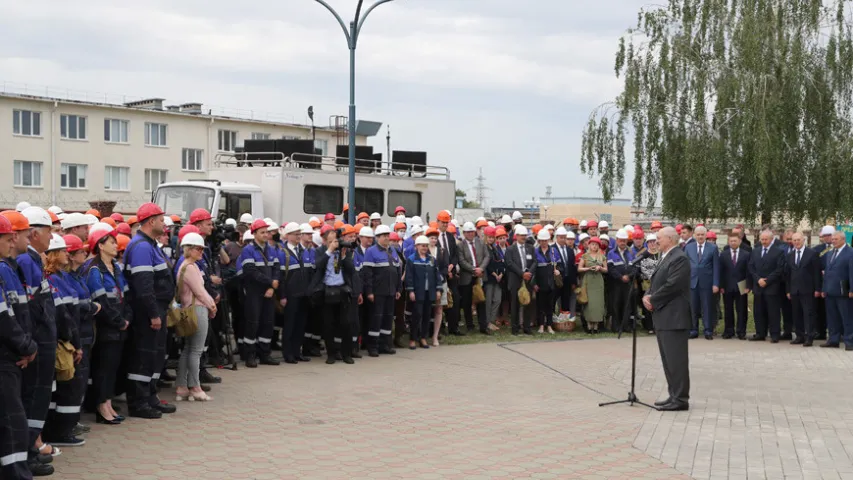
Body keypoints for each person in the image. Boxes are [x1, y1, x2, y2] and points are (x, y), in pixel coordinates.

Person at [123, 203, 177, 419]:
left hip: (157, 310)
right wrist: (153, 313)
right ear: (151, 221)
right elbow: (144, 286)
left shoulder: (150, 244)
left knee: (153, 357)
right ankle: (138, 403)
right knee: (143, 357)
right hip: (146, 313)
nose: (165, 224)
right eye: (162, 220)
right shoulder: (142, 247)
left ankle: (150, 397)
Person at [17, 207, 60, 464]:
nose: (52, 238)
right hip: (37, 343)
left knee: (38, 397)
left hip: (42, 341)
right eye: (49, 231)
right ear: (34, 233)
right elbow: (30, 310)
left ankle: (31, 448)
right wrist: (29, 345)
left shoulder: (32, 259)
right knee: (33, 397)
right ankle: (28, 451)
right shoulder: (26, 260)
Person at [0, 213, 40, 480]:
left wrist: (26, 347)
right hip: (6, 358)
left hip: (12, 355)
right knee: (12, 421)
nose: (12, 240)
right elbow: (5, 319)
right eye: (7, 237)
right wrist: (26, 346)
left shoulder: (8, 268)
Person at [41, 235, 85, 447]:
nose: (67, 253)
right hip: (61, 342)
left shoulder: (63, 277)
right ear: (53, 255)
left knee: (68, 387)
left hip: (69, 339)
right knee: (64, 388)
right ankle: (58, 431)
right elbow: (62, 315)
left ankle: (64, 428)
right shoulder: (51, 280)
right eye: (63, 250)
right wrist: (73, 343)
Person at [642, 227, 691, 412]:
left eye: (659, 238)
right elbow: (656, 281)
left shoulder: (679, 258)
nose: (656, 242)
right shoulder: (666, 256)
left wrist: (653, 299)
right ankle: (674, 395)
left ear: (670, 239)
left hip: (674, 317)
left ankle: (681, 399)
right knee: (668, 360)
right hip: (664, 316)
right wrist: (647, 295)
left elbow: (673, 285)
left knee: (676, 360)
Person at [86, 227, 129, 425]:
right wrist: (119, 322)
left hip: (120, 326)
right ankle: (101, 406)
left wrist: (127, 317)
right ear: (100, 246)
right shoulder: (95, 271)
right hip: (106, 328)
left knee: (113, 368)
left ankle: (109, 403)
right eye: (111, 242)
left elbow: (125, 296)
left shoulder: (116, 268)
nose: (115, 245)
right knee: (103, 368)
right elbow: (101, 302)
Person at [61, 235, 99, 440]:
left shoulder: (77, 276)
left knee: (81, 380)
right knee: (75, 381)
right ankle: (68, 424)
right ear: (72, 256)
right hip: (77, 334)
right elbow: (73, 305)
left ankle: (74, 420)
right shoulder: (67, 278)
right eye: (81, 252)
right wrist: (92, 307)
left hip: (85, 332)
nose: (86, 254)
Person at [174, 233, 217, 402]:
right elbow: (200, 291)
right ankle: (195, 387)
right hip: (197, 310)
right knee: (196, 350)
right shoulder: (190, 267)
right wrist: (212, 306)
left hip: (189, 309)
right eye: (198, 249)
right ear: (189, 249)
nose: (201, 252)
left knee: (188, 349)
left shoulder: (185, 265)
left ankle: (182, 387)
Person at [236, 219, 282, 367]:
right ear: (254, 233)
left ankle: (265, 354)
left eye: (267, 232)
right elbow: (250, 272)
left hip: (268, 292)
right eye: (262, 232)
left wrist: (272, 287)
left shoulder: (271, 249)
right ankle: (250, 355)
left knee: (268, 323)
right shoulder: (248, 250)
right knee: (252, 323)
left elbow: (276, 269)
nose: (265, 235)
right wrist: (270, 282)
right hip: (254, 292)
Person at [311, 226, 355, 364]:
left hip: (342, 289)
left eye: (335, 240)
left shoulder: (342, 250)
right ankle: (331, 354)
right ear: (324, 241)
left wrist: (343, 256)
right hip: (327, 291)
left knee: (345, 324)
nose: (334, 243)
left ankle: (346, 353)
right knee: (328, 324)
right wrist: (329, 251)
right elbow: (318, 265)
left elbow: (351, 270)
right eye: (330, 241)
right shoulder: (320, 251)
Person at [363, 225, 402, 357]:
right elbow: (367, 274)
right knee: (376, 319)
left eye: (387, 235)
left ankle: (386, 344)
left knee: (388, 319)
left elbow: (398, 271)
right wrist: (369, 292)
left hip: (391, 291)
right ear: (377, 237)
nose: (386, 237)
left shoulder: (392, 250)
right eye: (383, 235)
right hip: (378, 292)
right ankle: (373, 346)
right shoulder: (371, 251)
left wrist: (398, 289)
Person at [748, 230, 786, 343]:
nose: (764, 241)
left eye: (766, 239)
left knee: (773, 312)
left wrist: (767, 280)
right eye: (762, 239)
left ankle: (775, 334)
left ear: (771, 239)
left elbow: (779, 269)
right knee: (758, 311)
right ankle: (760, 333)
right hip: (758, 286)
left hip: (772, 287)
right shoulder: (755, 251)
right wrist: (758, 279)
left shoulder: (778, 252)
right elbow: (751, 267)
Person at [405, 236, 443, 349]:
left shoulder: (431, 259)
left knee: (427, 316)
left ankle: (423, 338)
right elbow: (409, 277)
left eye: (426, 246)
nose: (424, 248)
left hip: (429, 292)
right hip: (418, 292)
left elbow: (437, 275)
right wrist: (411, 291)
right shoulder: (411, 259)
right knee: (416, 316)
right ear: (416, 246)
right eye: (422, 245)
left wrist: (438, 289)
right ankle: (412, 339)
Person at [684, 226, 720, 340]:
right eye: (698, 234)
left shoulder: (713, 248)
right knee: (693, 308)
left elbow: (716, 267)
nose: (700, 236)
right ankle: (693, 330)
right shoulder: (688, 247)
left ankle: (708, 330)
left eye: (702, 234)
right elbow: (685, 266)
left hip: (707, 283)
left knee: (707, 307)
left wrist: (716, 283)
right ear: (694, 235)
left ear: (706, 235)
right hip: (692, 282)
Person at [786, 232, 821, 346]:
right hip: (794, 290)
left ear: (803, 240)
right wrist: (788, 290)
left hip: (808, 289)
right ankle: (799, 336)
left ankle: (809, 337)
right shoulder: (790, 255)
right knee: (796, 314)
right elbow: (788, 274)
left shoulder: (812, 254)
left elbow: (816, 273)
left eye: (798, 240)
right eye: (794, 240)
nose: (796, 242)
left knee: (808, 314)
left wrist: (817, 289)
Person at [821, 231, 853, 350]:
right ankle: (833, 340)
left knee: (847, 317)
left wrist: (852, 289)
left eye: (836, 239)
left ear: (843, 240)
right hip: (830, 290)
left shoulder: (850, 253)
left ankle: (849, 341)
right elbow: (827, 272)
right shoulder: (830, 253)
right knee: (832, 317)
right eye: (832, 239)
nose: (833, 241)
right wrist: (824, 288)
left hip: (843, 291)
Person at [457, 222, 490, 335]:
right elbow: (461, 261)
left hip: (480, 276)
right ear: (464, 233)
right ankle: (470, 325)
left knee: (481, 300)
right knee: (467, 302)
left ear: (474, 232)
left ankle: (483, 326)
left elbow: (487, 256)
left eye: (471, 232)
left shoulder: (481, 242)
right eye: (467, 232)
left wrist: (480, 269)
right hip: (467, 277)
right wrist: (473, 269)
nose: (470, 234)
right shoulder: (460, 245)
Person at [505, 226, 536, 335]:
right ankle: (515, 328)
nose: (523, 237)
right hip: (515, 280)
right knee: (515, 305)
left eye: (525, 235)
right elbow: (509, 263)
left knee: (528, 303)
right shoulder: (510, 249)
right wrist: (522, 274)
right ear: (516, 236)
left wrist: (529, 273)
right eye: (521, 235)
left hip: (528, 280)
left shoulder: (531, 248)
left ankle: (527, 327)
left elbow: (535, 262)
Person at [719, 232, 751, 339]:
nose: (733, 243)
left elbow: (748, 271)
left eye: (735, 241)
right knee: (728, 309)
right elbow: (721, 271)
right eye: (731, 241)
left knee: (741, 310)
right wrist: (721, 286)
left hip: (742, 285)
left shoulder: (746, 254)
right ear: (728, 241)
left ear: (740, 241)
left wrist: (748, 286)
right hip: (727, 285)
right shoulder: (723, 254)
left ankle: (741, 331)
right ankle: (729, 331)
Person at [436, 212, 461, 336]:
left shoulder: (451, 237)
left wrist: (451, 265)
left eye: (447, 222)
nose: (445, 224)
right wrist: (445, 270)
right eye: (443, 222)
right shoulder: (434, 236)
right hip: (440, 275)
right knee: (440, 302)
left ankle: (453, 327)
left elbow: (455, 255)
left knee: (455, 299)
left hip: (452, 273)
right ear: (438, 222)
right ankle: (439, 328)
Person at [607, 229, 636, 334]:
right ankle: (616, 327)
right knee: (616, 305)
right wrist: (620, 277)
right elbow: (611, 269)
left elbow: (635, 267)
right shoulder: (611, 253)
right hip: (616, 284)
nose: (623, 243)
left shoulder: (631, 253)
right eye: (621, 240)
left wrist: (629, 276)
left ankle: (626, 326)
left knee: (627, 305)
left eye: (625, 240)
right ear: (617, 240)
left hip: (628, 283)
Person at [578, 238, 608, 333]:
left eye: (596, 245)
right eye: (592, 244)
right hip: (588, 280)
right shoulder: (585, 256)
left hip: (598, 281)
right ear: (589, 245)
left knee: (598, 303)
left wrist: (600, 268)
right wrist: (588, 268)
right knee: (589, 303)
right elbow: (579, 269)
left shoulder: (602, 256)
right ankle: (589, 325)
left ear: (598, 246)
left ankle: (596, 326)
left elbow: (606, 270)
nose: (594, 246)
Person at [813, 225, 836, 340]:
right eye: (825, 236)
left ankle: (838, 333)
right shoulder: (817, 249)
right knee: (820, 309)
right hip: (821, 282)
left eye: (829, 235)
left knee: (835, 310)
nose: (827, 238)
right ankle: (820, 332)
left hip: (834, 283)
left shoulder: (838, 247)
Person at [553, 228, 578, 321]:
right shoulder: (552, 249)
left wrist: (573, 281)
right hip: (557, 279)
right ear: (557, 237)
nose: (563, 239)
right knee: (554, 299)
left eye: (564, 237)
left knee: (566, 299)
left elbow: (572, 266)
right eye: (561, 237)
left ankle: (565, 320)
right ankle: (551, 319)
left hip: (567, 280)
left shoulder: (569, 250)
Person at [483, 227, 504, 332]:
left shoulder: (495, 248)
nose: (491, 239)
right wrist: (494, 274)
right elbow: (486, 264)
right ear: (486, 237)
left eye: (492, 237)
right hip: (489, 278)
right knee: (488, 301)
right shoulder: (484, 248)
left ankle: (492, 319)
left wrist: (501, 273)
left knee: (497, 299)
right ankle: (487, 322)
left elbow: (500, 261)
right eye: (489, 237)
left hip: (497, 279)